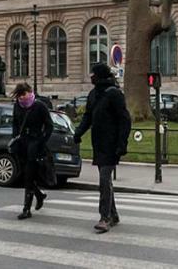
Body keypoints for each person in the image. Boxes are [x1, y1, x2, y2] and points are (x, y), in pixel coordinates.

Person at [72, 63, 131, 233]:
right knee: (106, 181)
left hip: (111, 145)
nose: (91, 77)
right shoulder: (93, 94)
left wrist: (122, 144)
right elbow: (88, 117)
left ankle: (104, 217)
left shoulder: (114, 94)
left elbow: (125, 120)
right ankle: (113, 214)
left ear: (99, 76)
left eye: (93, 74)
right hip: (98, 144)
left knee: (104, 180)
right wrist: (78, 133)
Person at [11, 82, 52, 219]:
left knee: (29, 175)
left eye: (23, 94)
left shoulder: (39, 106)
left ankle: (26, 209)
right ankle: (39, 195)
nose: (22, 98)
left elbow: (49, 126)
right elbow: (15, 123)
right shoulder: (17, 105)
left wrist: (41, 141)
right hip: (22, 143)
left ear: (30, 92)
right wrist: (15, 137)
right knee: (24, 175)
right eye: (19, 96)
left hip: (35, 143)